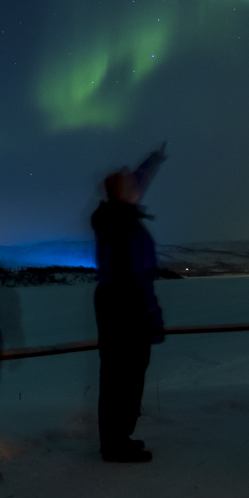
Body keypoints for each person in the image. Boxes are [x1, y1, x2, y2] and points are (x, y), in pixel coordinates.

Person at [91, 146, 167, 463]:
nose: (138, 189)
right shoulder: (124, 227)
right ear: (124, 195)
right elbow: (137, 279)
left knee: (118, 374)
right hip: (127, 308)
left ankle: (117, 437)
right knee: (125, 375)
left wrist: (150, 163)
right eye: (131, 188)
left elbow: (132, 184)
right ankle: (115, 443)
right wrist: (152, 316)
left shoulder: (114, 214)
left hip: (113, 305)